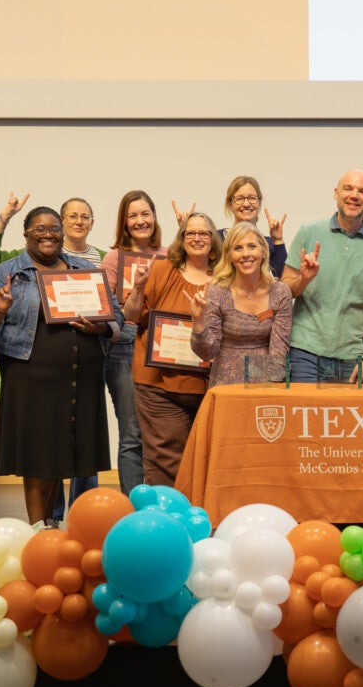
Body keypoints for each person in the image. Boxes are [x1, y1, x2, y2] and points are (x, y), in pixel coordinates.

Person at [0, 206, 118, 528]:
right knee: (39, 457)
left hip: (80, 376)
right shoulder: (7, 273)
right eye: (39, 229)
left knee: (61, 455)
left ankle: (50, 526)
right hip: (31, 377)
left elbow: (116, 317)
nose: (48, 235)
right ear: (26, 234)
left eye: (54, 229)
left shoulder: (84, 270)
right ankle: (38, 529)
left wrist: (100, 326)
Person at [123, 214, 222, 487]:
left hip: (209, 386)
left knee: (207, 460)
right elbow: (131, 315)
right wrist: (138, 288)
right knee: (165, 461)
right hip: (159, 387)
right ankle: (167, 512)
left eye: (204, 233)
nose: (197, 238)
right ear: (182, 238)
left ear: (213, 241)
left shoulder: (225, 279)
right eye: (190, 233)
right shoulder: (160, 269)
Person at [282, 169, 363, 382]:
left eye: (362, 191)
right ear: (336, 193)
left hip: (354, 356)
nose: (354, 195)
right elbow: (284, 291)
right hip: (305, 352)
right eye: (348, 188)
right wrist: (303, 280)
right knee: (305, 406)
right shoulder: (308, 232)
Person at [99, 191, 166, 495]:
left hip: (163, 346)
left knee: (160, 432)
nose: (141, 221)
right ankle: (132, 504)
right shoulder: (114, 258)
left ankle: (159, 498)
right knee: (132, 433)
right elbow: (107, 307)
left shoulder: (168, 255)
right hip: (125, 346)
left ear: (154, 217)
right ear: (124, 222)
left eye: (145, 214)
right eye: (133, 216)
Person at [190, 222, 292, 387]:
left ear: (263, 251)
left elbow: (279, 352)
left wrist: (269, 390)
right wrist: (198, 321)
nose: (245, 254)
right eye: (238, 248)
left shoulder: (280, 292)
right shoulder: (218, 291)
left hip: (265, 383)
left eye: (252, 246)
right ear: (229, 255)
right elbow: (207, 353)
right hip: (225, 384)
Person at [55, 196, 104, 519]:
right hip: (56, 350)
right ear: (61, 222)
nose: (79, 221)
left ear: (92, 222)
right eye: (72, 216)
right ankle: (52, 513)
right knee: (54, 432)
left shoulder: (102, 258)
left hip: (88, 350)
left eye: (85, 216)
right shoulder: (48, 256)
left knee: (86, 432)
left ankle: (83, 512)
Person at [214, 176, 287, 277]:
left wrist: (278, 241)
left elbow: (283, 279)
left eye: (252, 198)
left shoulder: (267, 243)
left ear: (259, 202)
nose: (246, 204)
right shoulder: (216, 238)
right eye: (239, 199)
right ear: (230, 204)